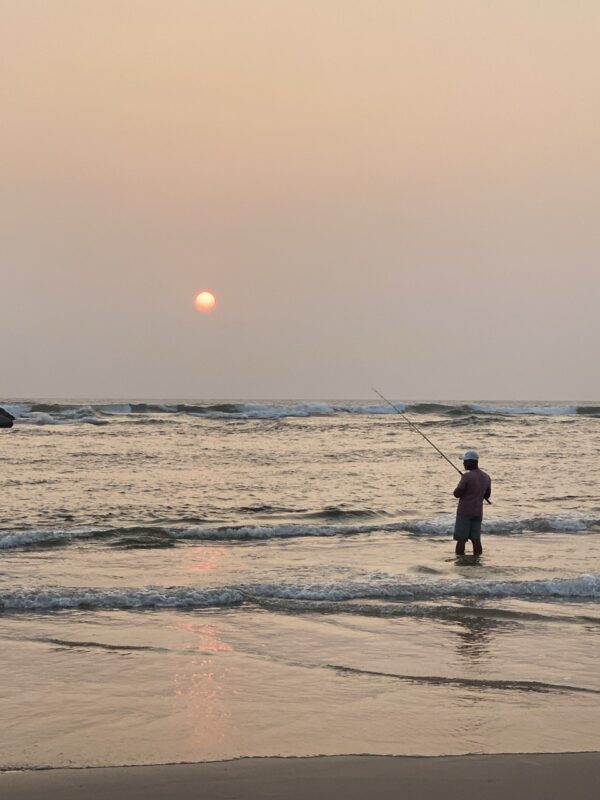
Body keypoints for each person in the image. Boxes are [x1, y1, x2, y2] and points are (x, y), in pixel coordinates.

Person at [453, 449, 491, 556]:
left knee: (461, 540)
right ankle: (476, 561)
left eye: (465, 461)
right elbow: (487, 496)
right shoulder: (486, 477)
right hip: (478, 513)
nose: (463, 463)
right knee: (476, 540)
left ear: (471, 462)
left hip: (464, 512)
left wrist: (464, 482)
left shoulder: (466, 477)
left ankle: (460, 560)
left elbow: (456, 494)